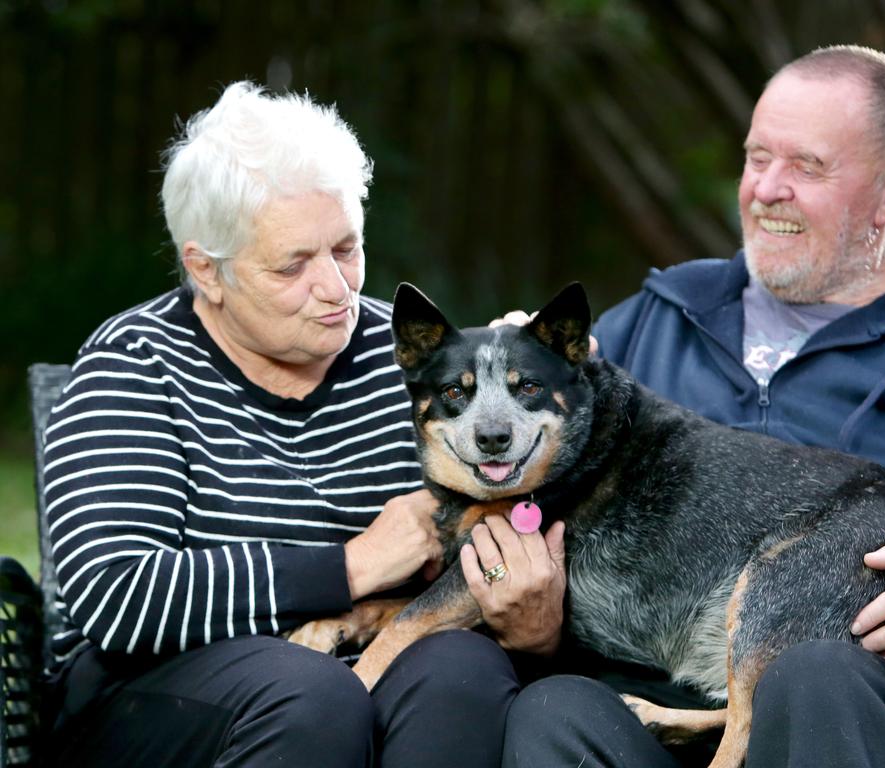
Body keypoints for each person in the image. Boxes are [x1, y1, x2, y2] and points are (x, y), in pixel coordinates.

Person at [497, 45, 885, 766]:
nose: (767, 189)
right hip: (658, 698)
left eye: (807, 167)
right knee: (554, 711)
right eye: (757, 158)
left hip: (872, 706)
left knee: (811, 676)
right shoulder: (657, 320)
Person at [41, 82, 545, 768]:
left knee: (460, 667)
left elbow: (505, 513)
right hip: (149, 694)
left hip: (362, 653)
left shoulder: (408, 357)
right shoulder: (137, 364)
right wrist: (352, 565)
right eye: (293, 265)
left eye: (345, 248)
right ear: (205, 271)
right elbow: (119, 596)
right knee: (311, 694)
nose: (337, 289)